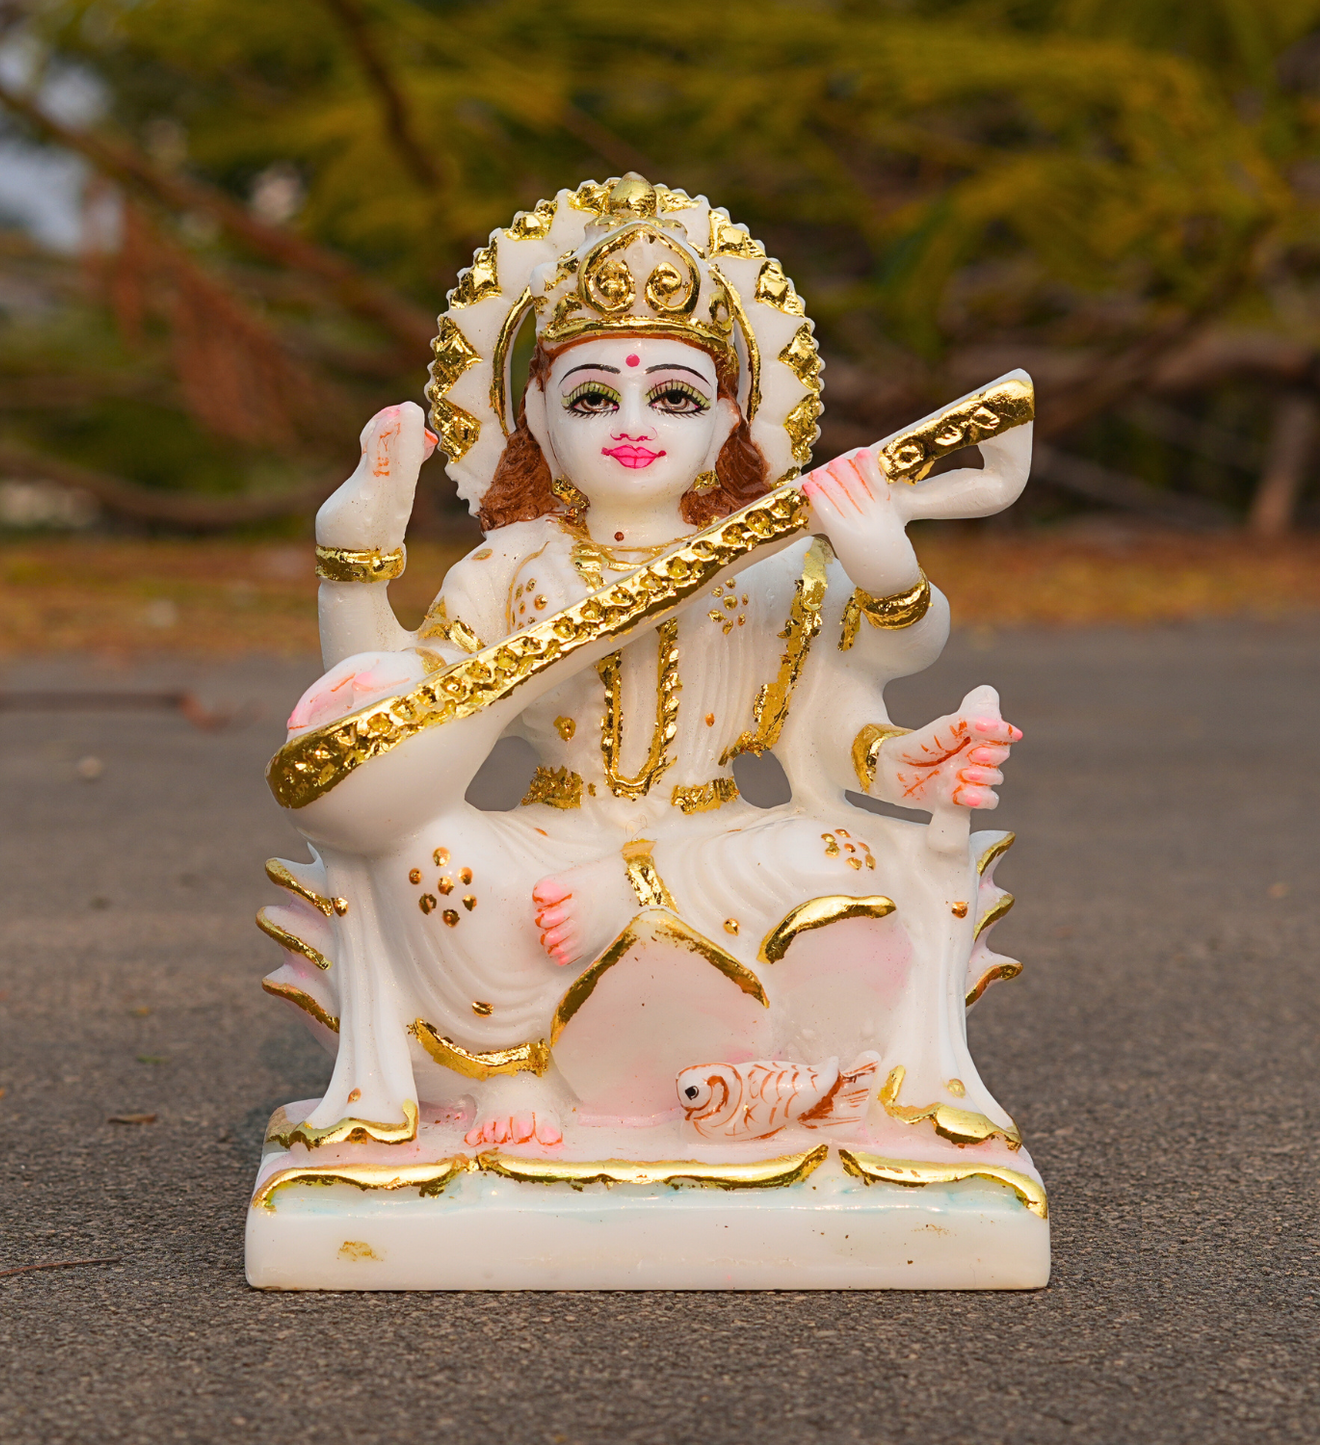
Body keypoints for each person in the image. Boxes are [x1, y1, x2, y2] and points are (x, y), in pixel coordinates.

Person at [258, 176, 1030, 1163]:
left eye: (672, 395)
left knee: (833, 861)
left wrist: (901, 739)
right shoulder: (510, 567)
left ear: (729, 420)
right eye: (593, 394)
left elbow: (839, 712)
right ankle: (512, 1068)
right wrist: (350, 563)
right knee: (429, 854)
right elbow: (388, 719)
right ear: (535, 414)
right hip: (547, 842)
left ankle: (739, 1034)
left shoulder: (775, 562)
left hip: (714, 843)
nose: (633, 421)